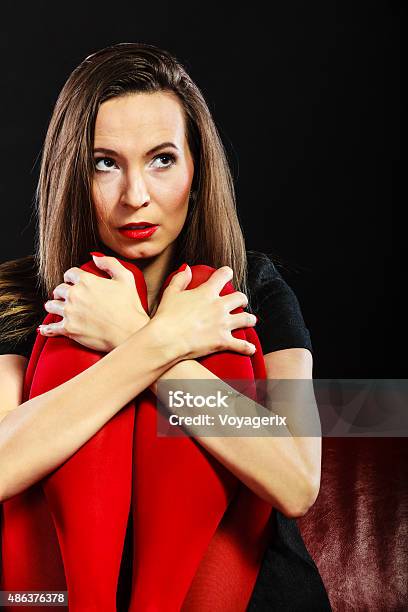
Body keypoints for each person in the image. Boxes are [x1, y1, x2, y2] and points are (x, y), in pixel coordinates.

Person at [0, 42, 331, 610]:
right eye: (106, 163)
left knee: (216, 308)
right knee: (69, 347)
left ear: (196, 168)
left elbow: (296, 479)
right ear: (71, 175)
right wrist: (154, 343)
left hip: (256, 596)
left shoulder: (255, 289)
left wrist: (132, 334)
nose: (136, 196)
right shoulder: (22, 297)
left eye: (162, 159)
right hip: (57, 593)